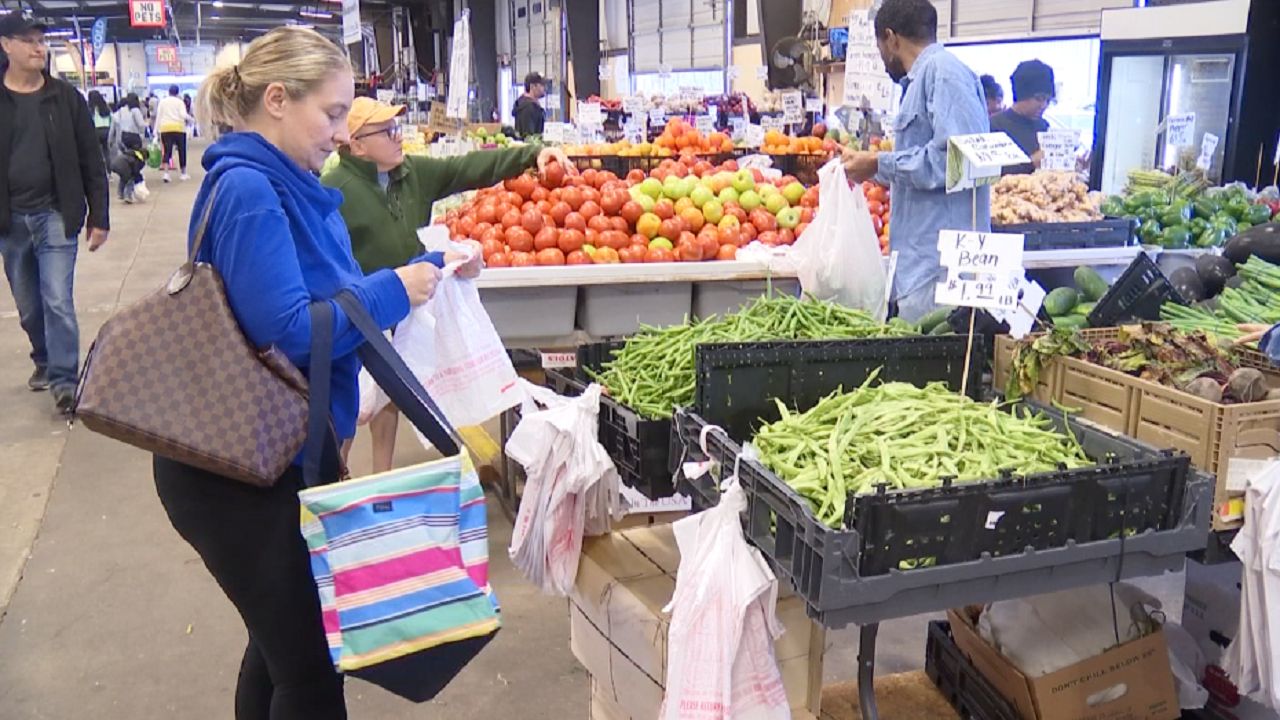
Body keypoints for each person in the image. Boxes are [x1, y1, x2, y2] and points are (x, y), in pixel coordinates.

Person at [157, 26, 449, 719]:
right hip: (237, 467)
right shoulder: (252, 190)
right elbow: (287, 327)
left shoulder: (285, 182)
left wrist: (422, 274)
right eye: (333, 112)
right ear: (279, 100)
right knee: (311, 668)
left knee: (278, 648)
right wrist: (393, 291)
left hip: (268, 453)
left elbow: (326, 291)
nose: (343, 132)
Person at [321, 96, 570, 473]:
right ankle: (337, 477)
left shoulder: (412, 173)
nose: (397, 137)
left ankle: (381, 477)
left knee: (390, 394)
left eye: (397, 129)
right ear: (356, 145)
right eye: (386, 132)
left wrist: (530, 154)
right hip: (359, 308)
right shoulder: (334, 189)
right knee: (350, 401)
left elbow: (467, 167)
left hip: (407, 304)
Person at [840, 0, 990, 324]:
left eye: (880, 48)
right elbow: (926, 164)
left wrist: (879, 163)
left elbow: (958, 162)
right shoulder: (920, 82)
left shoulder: (944, 74)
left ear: (891, 38)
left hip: (941, 269)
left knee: (933, 371)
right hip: (919, 267)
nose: (882, 60)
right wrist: (871, 167)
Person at [0, 11, 110, 412]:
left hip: (55, 215)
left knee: (57, 300)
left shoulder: (65, 99)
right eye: (28, 40)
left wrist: (100, 216)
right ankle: (44, 360)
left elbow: (90, 159)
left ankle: (65, 381)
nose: (38, 47)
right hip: (10, 221)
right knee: (29, 307)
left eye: (41, 40)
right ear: (6, 45)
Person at [989, 60, 1056, 175]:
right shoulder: (994, 126)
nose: (1044, 105)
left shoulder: (1044, 126)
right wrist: (1030, 163)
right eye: (1039, 98)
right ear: (1021, 95)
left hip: (1041, 191)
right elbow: (990, 172)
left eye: (1048, 100)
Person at [154, 84, 194, 182]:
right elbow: (183, 114)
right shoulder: (180, 102)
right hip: (179, 128)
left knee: (167, 151)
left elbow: (159, 116)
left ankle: (166, 173)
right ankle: (183, 173)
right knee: (181, 150)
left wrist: (156, 131)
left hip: (165, 128)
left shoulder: (162, 102)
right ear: (177, 92)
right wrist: (191, 119)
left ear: (169, 92)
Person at [513, 71, 547, 138]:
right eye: (542, 85)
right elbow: (528, 136)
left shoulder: (533, 106)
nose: (544, 88)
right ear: (532, 86)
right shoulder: (527, 107)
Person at [87, 89, 113, 160]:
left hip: (96, 131)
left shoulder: (89, 108)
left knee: (96, 152)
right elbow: (111, 117)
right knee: (106, 151)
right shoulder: (105, 107)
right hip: (106, 130)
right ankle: (108, 168)